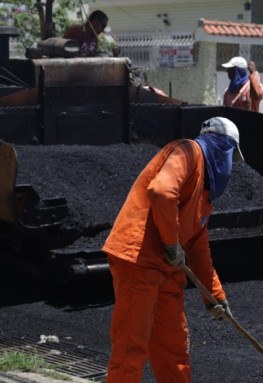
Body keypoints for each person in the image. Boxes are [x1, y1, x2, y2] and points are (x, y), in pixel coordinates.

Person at [102, 116, 242, 382]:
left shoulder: (203, 193)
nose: (231, 166)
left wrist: (215, 296)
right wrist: (170, 242)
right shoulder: (188, 151)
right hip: (138, 259)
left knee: (174, 351)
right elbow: (163, 191)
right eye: (232, 157)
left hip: (165, 268)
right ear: (224, 148)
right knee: (131, 349)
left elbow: (198, 247)